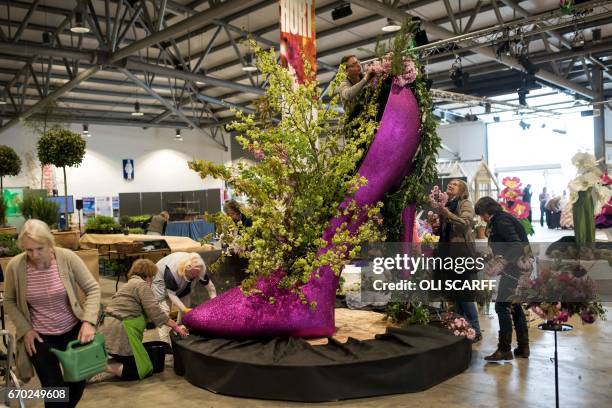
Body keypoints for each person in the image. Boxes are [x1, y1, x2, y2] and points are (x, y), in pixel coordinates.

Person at [3, 219, 101, 408]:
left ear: (49, 242)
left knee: (78, 383)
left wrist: (88, 322)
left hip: (73, 331)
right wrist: (26, 329)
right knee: (54, 390)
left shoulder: (67, 258)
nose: (34, 255)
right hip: (40, 338)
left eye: (39, 248)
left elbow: (93, 289)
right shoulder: (15, 267)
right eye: (28, 250)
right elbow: (9, 301)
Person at [99, 259, 188, 381]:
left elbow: (148, 314)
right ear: (148, 275)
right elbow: (155, 311)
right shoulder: (141, 285)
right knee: (139, 370)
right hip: (121, 331)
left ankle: (104, 363)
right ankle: (100, 366)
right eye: (152, 277)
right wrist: (176, 326)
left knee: (136, 361)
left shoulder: (130, 284)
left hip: (109, 328)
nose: (152, 280)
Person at [475, 197, 530, 361]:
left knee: (501, 306)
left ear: (487, 212)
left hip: (515, 268)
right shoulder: (503, 218)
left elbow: (515, 244)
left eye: (482, 214)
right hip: (519, 267)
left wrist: (502, 263)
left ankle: (505, 349)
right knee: (514, 306)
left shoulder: (501, 220)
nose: (481, 218)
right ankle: (523, 348)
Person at [432, 179, 482, 342]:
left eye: (455, 184)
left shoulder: (465, 203)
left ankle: (476, 330)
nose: (450, 185)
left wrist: (447, 214)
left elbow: (465, 224)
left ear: (462, 190)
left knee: (465, 295)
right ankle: (463, 329)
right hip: (448, 255)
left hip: (461, 255)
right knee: (456, 295)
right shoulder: (449, 204)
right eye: (450, 183)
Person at [151, 252, 216, 343]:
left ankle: (178, 329)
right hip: (160, 279)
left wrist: (215, 304)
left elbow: (211, 288)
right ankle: (165, 343)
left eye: (196, 275)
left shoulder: (199, 269)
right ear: (186, 269)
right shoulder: (172, 272)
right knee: (164, 312)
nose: (194, 276)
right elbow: (172, 294)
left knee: (185, 306)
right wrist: (185, 309)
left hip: (182, 278)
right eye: (192, 274)